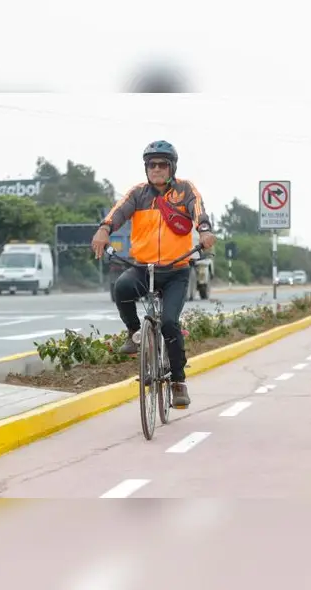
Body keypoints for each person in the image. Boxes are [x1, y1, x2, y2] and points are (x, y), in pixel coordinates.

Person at [90, 140, 216, 409]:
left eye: (162, 164)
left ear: (172, 167)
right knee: (122, 288)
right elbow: (118, 211)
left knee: (170, 323)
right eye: (151, 164)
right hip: (143, 267)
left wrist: (204, 230)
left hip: (176, 271)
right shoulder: (138, 194)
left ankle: (178, 383)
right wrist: (104, 229)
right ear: (146, 168)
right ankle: (135, 334)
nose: (156, 169)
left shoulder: (185, 190)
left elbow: (199, 210)